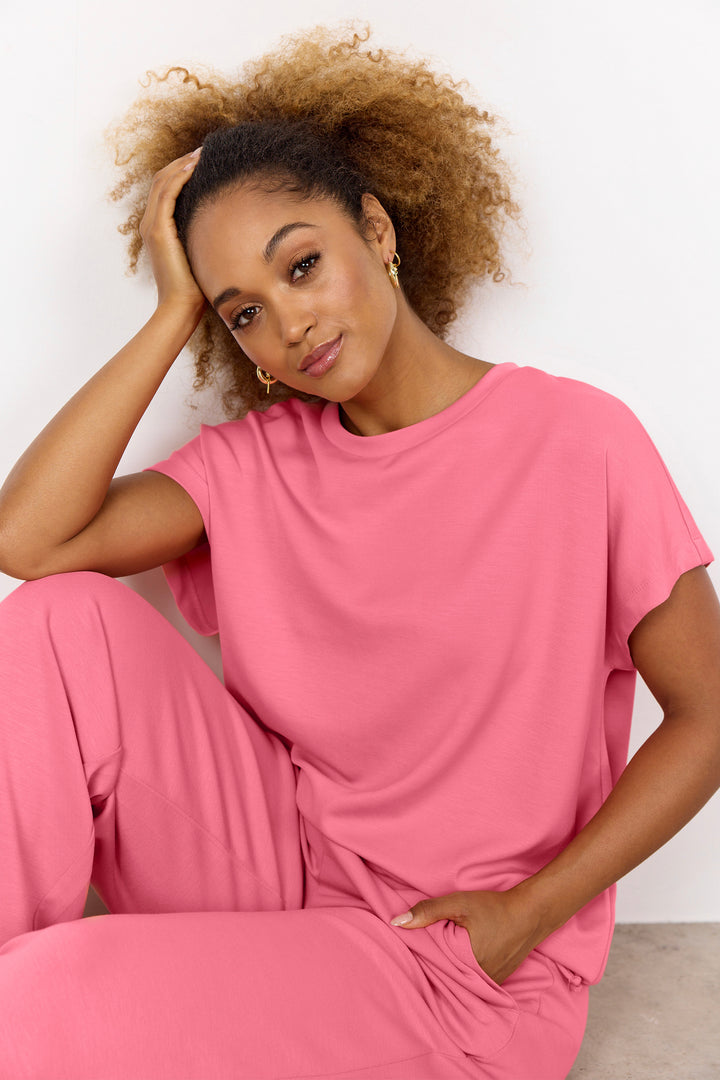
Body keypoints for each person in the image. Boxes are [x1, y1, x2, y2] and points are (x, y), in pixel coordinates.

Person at [0, 25, 718, 1080]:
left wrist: (528, 915)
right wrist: (172, 312)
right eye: (245, 310)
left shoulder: (580, 442)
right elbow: (30, 539)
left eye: (302, 264)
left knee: (37, 1004)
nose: (289, 321)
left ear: (375, 229)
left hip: (454, 958)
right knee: (59, 619)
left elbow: (707, 716)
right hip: (285, 874)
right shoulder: (260, 463)